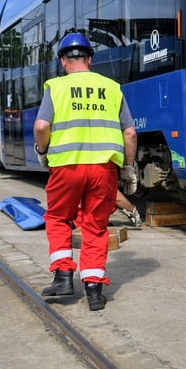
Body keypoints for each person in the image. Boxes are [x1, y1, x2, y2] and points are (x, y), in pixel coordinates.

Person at [34, 32, 138, 311]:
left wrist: (43, 152)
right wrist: (127, 169)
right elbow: (129, 133)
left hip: (66, 167)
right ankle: (94, 291)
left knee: (58, 217)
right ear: (90, 59)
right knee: (94, 226)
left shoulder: (55, 87)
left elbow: (42, 126)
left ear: (63, 61)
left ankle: (63, 277)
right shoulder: (112, 87)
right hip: (104, 170)